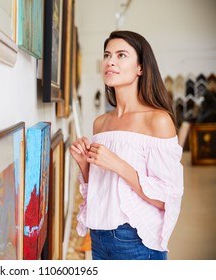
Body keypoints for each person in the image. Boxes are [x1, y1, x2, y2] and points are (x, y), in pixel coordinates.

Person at [70, 30, 184, 260]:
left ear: (140, 68)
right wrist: (84, 164)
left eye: (121, 55)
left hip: (135, 240)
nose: (110, 61)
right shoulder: (100, 123)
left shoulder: (158, 121)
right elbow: (101, 188)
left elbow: (167, 199)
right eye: (107, 54)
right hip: (98, 236)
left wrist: (119, 165)